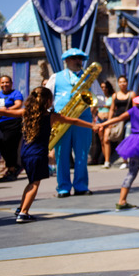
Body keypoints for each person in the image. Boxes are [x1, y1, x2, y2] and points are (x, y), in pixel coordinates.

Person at [0, 87, 98, 222]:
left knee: (31, 182)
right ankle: (24, 213)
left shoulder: (25, 113)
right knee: (34, 184)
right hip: (38, 154)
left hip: (24, 154)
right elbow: (74, 121)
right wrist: (92, 126)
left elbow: (3, 111)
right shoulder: (51, 116)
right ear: (48, 101)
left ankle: (20, 208)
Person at [45, 48, 104, 198]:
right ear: (66, 61)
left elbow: (101, 98)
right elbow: (46, 97)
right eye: (74, 58)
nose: (78, 61)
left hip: (83, 120)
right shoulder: (56, 77)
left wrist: (90, 102)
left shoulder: (89, 77)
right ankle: (63, 187)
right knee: (61, 155)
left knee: (82, 154)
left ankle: (81, 186)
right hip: (61, 119)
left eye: (80, 58)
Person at [0, 75, 24, 181]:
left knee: (10, 144)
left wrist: (6, 110)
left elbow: (18, 104)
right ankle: (10, 166)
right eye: (2, 82)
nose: (4, 85)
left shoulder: (16, 93)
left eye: (7, 82)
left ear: (11, 83)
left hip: (12, 122)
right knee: (0, 143)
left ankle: (12, 168)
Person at [109, 76, 134, 169]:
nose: (122, 84)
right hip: (118, 120)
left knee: (127, 138)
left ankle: (126, 160)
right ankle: (109, 161)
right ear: (118, 83)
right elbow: (112, 109)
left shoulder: (132, 94)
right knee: (116, 139)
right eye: (120, 82)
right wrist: (109, 121)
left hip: (129, 120)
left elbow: (135, 109)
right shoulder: (115, 95)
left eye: (124, 82)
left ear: (127, 83)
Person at [95, 80, 115, 168]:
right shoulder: (98, 97)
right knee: (102, 140)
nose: (103, 89)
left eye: (105, 87)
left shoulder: (112, 97)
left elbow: (112, 109)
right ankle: (105, 159)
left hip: (108, 119)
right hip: (99, 120)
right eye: (102, 87)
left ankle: (107, 160)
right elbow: (94, 109)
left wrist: (110, 120)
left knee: (107, 140)